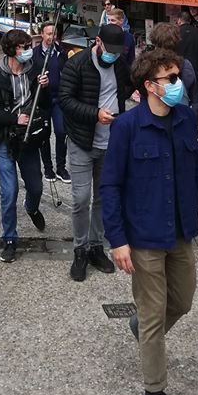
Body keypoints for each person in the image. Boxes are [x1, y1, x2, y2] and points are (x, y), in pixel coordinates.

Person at [101, 48, 198, 395]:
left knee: (182, 300)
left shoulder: (184, 119)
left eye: (178, 76)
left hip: (181, 230)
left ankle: (143, 329)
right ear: (150, 86)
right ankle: (154, 393)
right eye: (171, 78)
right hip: (144, 235)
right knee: (153, 314)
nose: (179, 84)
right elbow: (110, 186)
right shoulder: (127, 127)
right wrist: (117, 240)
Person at [58, 23, 132, 281]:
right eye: (109, 50)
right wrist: (95, 114)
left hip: (110, 143)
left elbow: (128, 85)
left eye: (117, 52)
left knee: (104, 197)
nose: (112, 55)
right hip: (82, 141)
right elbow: (65, 100)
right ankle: (80, 249)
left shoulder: (120, 64)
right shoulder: (77, 64)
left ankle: (96, 246)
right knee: (81, 198)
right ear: (97, 42)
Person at [0, 28, 49, 263]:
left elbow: (46, 104)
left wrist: (45, 88)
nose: (28, 51)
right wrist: (13, 118)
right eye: (24, 47)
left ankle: (32, 208)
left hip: (29, 140)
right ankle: (9, 239)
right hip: (5, 139)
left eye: (29, 46)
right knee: (9, 192)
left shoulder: (35, 71)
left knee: (36, 187)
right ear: (11, 50)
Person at [31, 22, 69, 183]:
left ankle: (61, 167)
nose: (51, 37)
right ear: (42, 34)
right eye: (48, 34)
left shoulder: (62, 52)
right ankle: (48, 168)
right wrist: (37, 81)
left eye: (54, 34)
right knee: (44, 134)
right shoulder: (34, 54)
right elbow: (29, 76)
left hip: (59, 99)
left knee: (61, 132)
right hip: (42, 99)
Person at [148, 22, 198, 115]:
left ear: (154, 42)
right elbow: (193, 93)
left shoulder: (147, 64)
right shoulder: (185, 65)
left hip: (153, 114)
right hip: (181, 114)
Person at [176, 11, 198, 125]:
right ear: (190, 20)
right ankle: (195, 125)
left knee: (179, 96)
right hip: (197, 69)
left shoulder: (174, 34)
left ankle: (181, 121)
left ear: (179, 21)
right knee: (197, 99)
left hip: (177, 70)